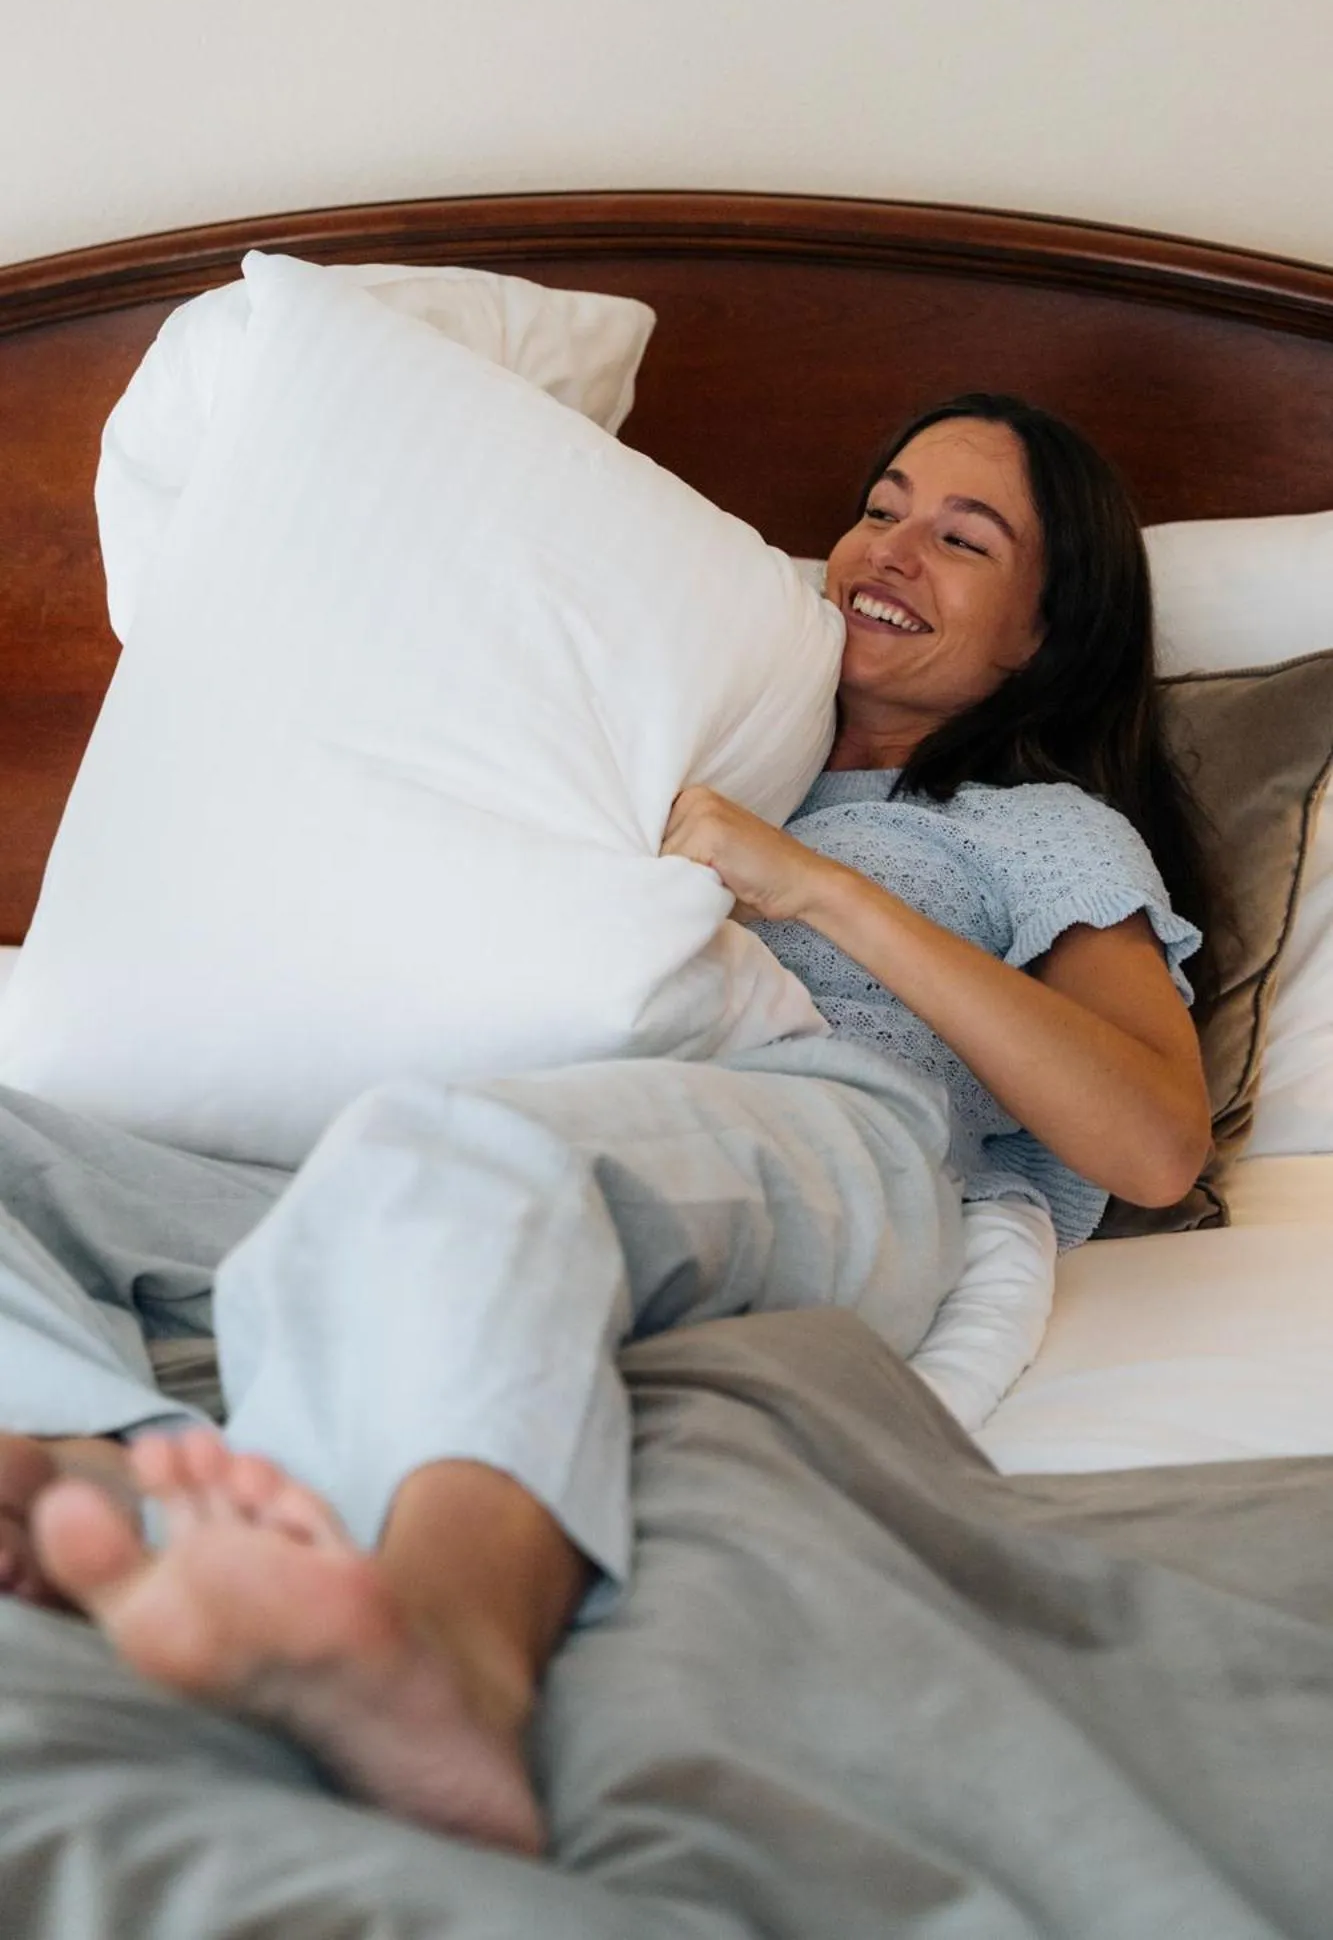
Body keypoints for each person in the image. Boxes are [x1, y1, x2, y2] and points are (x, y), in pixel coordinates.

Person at [0, 393, 1213, 1857]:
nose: (889, 552)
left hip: (827, 1119)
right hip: (463, 1102)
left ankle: (436, 1655)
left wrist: (820, 887)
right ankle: (117, 1477)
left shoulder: (1030, 830)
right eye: (882, 507)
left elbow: (1152, 1140)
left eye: (962, 538)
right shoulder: (690, 710)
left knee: (448, 1157)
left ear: (1042, 630)